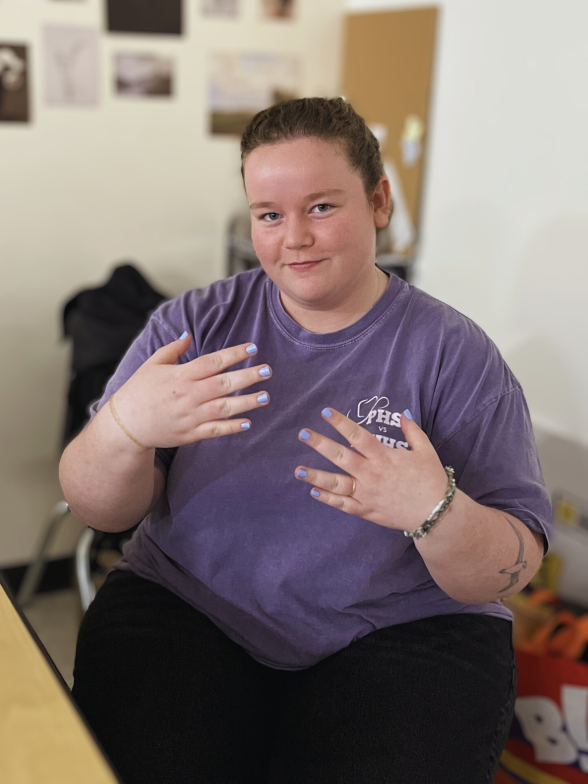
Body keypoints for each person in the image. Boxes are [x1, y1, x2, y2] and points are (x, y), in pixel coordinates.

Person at [60, 97, 551, 784]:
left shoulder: (454, 354)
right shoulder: (194, 324)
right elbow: (96, 509)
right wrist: (122, 430)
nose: (294, 238)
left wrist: (435, 511)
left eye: (321, 207)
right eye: (269, 215)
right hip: (191, 606)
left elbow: (516, 564)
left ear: (379, 201)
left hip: (399, 630)